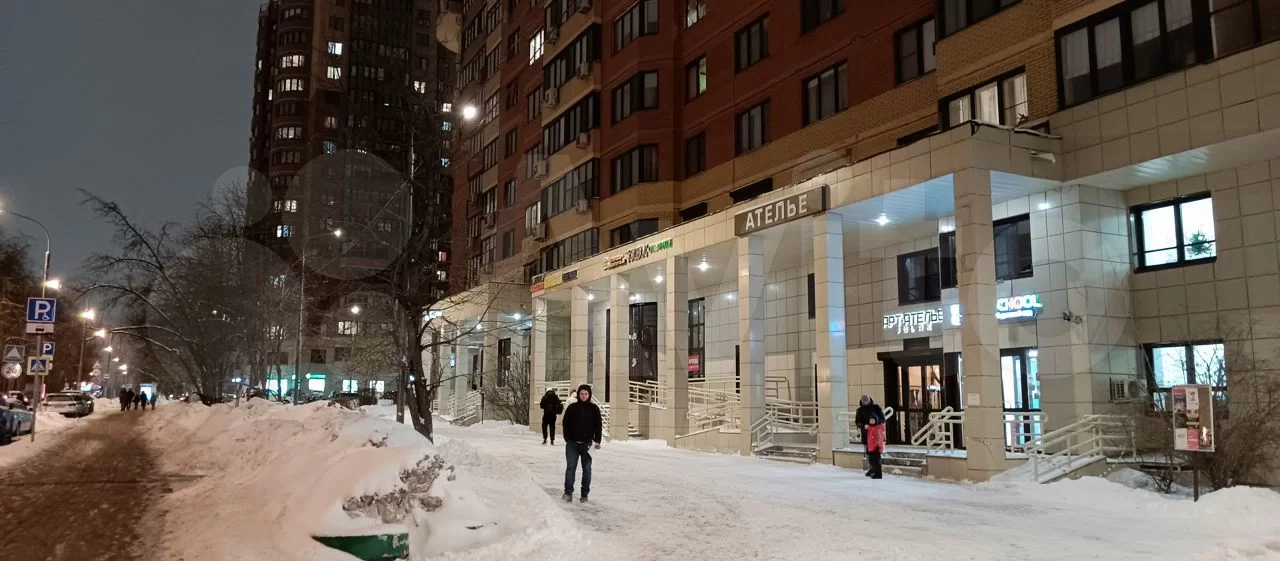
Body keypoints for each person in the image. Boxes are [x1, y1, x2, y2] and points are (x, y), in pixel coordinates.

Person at [561, 384, 602, 503]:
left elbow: (598, 426)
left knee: (587, 469)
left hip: (588, 445)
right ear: (578, 394)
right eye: (581, 394)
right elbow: (565, 423)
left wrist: (597, 440)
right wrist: (567, 438)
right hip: (572, 444)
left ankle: (584, 494)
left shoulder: (594, 409)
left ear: (589, 395)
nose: (583, 396)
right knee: (570, 468)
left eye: (586, 394)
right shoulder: (572, 407)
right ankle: (568, 492)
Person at [855, 395, 886, 479]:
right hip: (866, 435)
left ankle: (876, 470)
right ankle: (872, 468)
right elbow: (857, 422)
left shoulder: (876, 408)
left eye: (867, 401)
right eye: (864, 402)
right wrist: (863, 426)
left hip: (876, 435)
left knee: (876, 454)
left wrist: (875, 421)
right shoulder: (860, 410)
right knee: (868, 453)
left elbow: (882, 418)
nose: (866, 403)